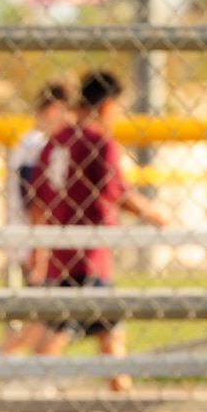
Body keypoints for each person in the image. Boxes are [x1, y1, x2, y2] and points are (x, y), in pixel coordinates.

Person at [26, 69, 169, 390]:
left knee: (108, 327)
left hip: (62, 250)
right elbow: (117, 192)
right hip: (88, 254)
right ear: (106, 105)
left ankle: (121, 389)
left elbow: (37, 200)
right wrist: (157, 215)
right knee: (65, 325)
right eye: (117, 107)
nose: (118, 114)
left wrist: (38, 248)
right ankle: (30, 382)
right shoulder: (98, 141)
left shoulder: (56, 140)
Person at [0, 81, 72, 358]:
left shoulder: (31, 142)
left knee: (47, 318)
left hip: (32, 241)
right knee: (44, 318)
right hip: (35, 243)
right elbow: (35, 202)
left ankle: (30, 373)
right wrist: (40, 250)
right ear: (54, 109)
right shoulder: (36, 143)